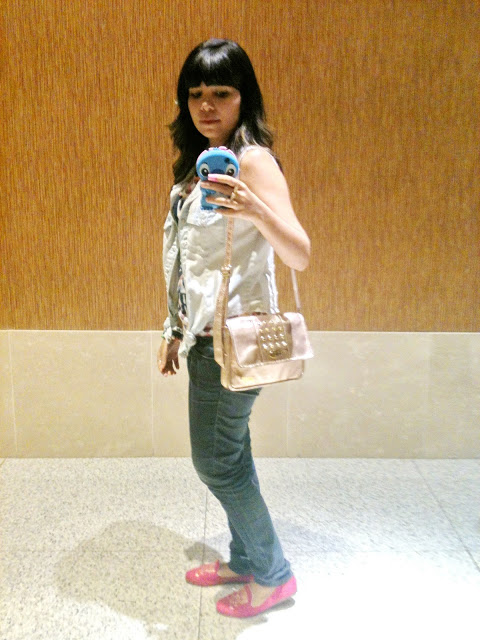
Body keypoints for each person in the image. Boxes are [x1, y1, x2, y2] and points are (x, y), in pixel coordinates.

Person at [157, 38, 310, 618]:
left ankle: (273, 575)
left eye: (221, 93)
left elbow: (299, 253)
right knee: (232, 455)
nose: (206, 105)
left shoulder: (253, 162)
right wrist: (172, 330)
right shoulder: (196, 167)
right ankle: (246, 559)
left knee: (216, 463)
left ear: (244, 97)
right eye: (195, 93)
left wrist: (254, 208)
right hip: (202, 339)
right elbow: (187, 262)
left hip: (236, 343)